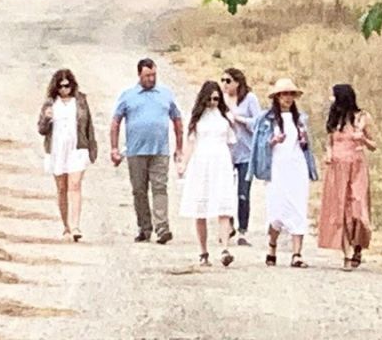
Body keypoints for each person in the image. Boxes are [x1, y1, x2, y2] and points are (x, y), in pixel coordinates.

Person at [111, 58, 183, 244]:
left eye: (153, 75)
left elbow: (177, 119)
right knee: (139, 190)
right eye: (147, 75)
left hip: (160, 150)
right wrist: (114, 148)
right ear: (139, 75)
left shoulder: (165, 94)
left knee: (160, 188)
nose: (151, 79)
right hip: (135, 151)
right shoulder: (128, 96)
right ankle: (144, 227)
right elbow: (116, 121)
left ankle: (162, 228)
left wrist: (179, 146)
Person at [249, 78, 318, 268]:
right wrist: (273, 141)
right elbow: (259, 145)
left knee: (298, 208)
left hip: (296, 166)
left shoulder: (300, 119)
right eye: (284, 94)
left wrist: (304, 140)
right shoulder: (266, 119)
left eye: (291, 94)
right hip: (277, 167)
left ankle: (297, 253)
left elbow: (306, 147)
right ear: (278, 97)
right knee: (277, 212)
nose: (288, 98)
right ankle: (272, 245)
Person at [177, 81, 239, 267]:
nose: (213, 102)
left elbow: (231, 143)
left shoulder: (225, 117)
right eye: (210, 99)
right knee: (200, 208)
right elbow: (191, 143)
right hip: (201, 162)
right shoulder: (197, 119)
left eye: (216, 99)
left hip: (220, 162)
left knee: (224, 206)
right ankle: (203, 251)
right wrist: (183, 164)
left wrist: (234, 165)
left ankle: (225, 248)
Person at [318, 83, 377, 270]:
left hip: (357, 167)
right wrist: (328, 153)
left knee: (358, 208)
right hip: (337, 167)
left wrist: (363, 140)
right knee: (341, 209)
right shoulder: (335, 119)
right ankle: (347, 253)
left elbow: (374, 145)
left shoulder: (363, 117)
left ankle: (358, 243)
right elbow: (329, 142)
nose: (331, 100)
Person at [37, 69, 98, 242]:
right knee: (62, 188)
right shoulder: (50, 104)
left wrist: (92, 147)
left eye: (68, 85)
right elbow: (41, 130)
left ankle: (76, 225)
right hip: (57, 148)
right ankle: (66, 227)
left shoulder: (80, 101)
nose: (65, 89)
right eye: (61, 86)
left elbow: (89, 126)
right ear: (55, 88)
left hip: (77, 147)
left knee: (75, 185)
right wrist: (46, 119)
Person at [221, 68, 263, 246]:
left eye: (228, 81)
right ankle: (227, 225)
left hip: (245, 152)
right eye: (222, 80)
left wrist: (240, 120)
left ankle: (242, 230)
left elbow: (259, 122)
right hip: (226, 152)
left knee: (243, 193)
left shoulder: (249, 99)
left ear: (238, 83)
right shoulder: (220, 100)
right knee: (224, 191)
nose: (224, 84)